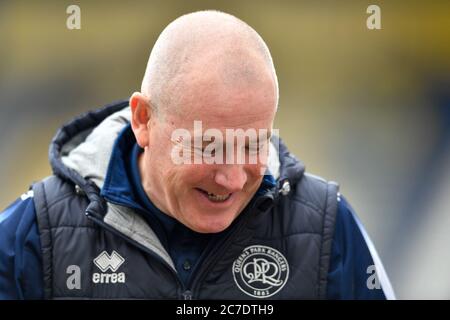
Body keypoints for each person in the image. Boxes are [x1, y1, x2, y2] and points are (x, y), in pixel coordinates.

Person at [0, 10, 395, 300]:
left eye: (254, 144)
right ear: (143, 120)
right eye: (209, 146)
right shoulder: (33, 237)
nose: (233, 178)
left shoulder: (329, 229)